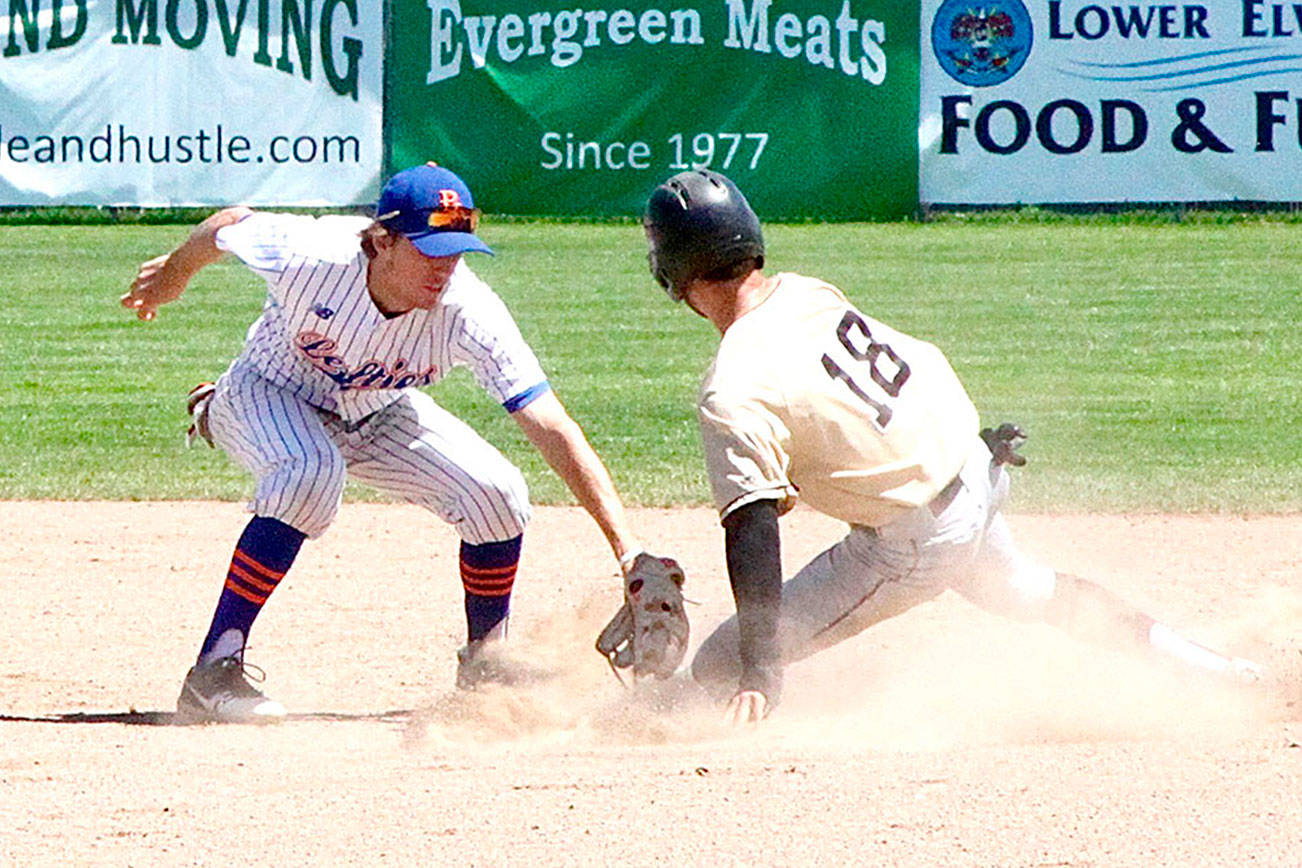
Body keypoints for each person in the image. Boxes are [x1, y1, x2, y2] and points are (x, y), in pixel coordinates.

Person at [640, 169, 1263, 724]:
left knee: (719, 664)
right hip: (977, 466)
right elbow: (900, 373)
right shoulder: (805, 291)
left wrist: (761, 668)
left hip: (915, 542)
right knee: (1033, 592)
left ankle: (644, 723)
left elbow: (752, 530)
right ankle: (1217, 674)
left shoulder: (733, 387)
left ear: (675, 270)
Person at [123, 163, 659, 724]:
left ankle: (486, 667)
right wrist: (175, 275)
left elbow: (551, 424)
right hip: (267, 392)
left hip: (377, 412)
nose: (445, 268)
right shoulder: (314, 253)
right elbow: (228, 225)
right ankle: (213, 670)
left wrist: (628, 552)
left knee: (497, 495)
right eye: (431, 250)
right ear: (383, 240)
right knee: (309, 473)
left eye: (457, 251)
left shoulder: (467, 311)